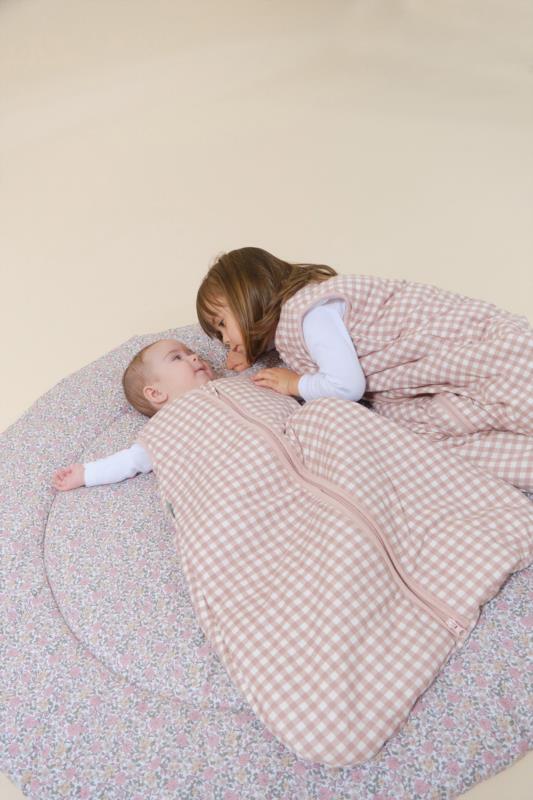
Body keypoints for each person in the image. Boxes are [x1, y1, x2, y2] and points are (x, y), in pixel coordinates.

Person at [196, 246, 533, 491]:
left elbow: (347, 385)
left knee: (509, 379)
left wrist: (295, 384)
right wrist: (248, 349)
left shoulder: (310, 314)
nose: (225, 340)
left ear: (249, 295)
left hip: (462, 343)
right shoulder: (299, 318)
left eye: (223, 324)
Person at [52, 339, 214, 491]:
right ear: (156, 393)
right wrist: (86, 474)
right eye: (177, 357)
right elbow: (129, 461)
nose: (194, 357)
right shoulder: (167, 430)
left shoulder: (224, 387)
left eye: (191, 353)